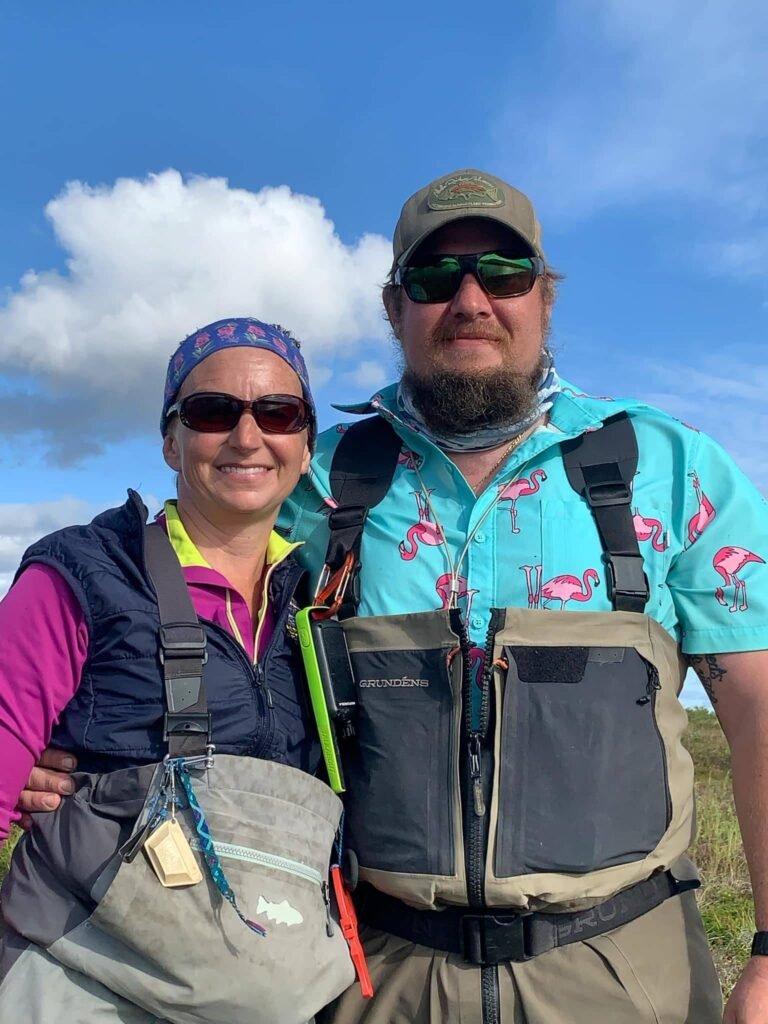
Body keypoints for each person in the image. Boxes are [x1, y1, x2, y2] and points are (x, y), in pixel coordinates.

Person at [20, 170, 768, 1024]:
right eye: (434, 277)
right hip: (373, 973)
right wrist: (79, 754)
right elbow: (185, 612)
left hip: (626, 970)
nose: (471, 300)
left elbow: (756, 708)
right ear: (393, 306)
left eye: (504, 273)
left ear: (545, 296)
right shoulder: (316, 479)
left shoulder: (669, 470)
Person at [0, 318, 354, 1024]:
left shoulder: (318, 604)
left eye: (278, 414)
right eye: (212, 411)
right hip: (84, 986)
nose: (247, 437)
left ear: (306, 447)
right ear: (171, 441)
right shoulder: (85, 573)